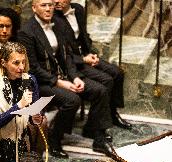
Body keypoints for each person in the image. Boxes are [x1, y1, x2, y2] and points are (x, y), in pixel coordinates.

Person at [18, 0, 113, 157]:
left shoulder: (58, 23)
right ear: (34, 8)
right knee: (72, 100)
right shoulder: (27, 32)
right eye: (43, 5)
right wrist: (60, 82)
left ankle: (98, 137)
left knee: (100, 90)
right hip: (42, 82)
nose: (48, 9)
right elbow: (33, 68)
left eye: (50, 5)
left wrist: (75, 78)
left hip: (65, 76)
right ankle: (54, 140)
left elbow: (67, 56)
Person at [53, 0, 133, 132]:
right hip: (73, 62)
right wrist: (83, 59)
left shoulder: (78, 9)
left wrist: (91, 54)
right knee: (106, 80)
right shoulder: (53, 18)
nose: (56, 1)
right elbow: (61, 54)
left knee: (118, 73)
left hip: (85, 55)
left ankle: (112, 113)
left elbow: (84, 35)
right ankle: (92, 127)